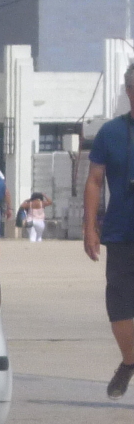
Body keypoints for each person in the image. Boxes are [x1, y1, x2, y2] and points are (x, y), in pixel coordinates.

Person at [84, 61, 134, 398]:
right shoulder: (111, 132)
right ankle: (129, 361)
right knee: (119, 307)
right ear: (130, 92)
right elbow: (94, 180)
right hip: (121, 233)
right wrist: (90, 227)